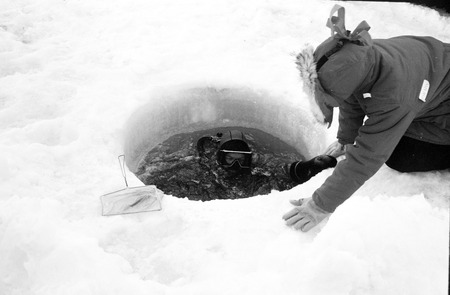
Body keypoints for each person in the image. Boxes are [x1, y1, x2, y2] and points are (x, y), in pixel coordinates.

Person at [283, 5, 450, 232]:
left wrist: (320, 205)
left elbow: (367, 156)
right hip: (432, 83)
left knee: (399, 155)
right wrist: (346, 139)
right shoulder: (362, 54)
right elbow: (353, 95)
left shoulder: (394, 96)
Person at [137, 128, 336, 201]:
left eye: (241, 160)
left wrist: (310, 166)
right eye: (230, 158)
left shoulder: (255, 162)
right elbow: (165, 172)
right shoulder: (201, 163)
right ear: (219, 156)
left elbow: (281, 169)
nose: (236, 164)